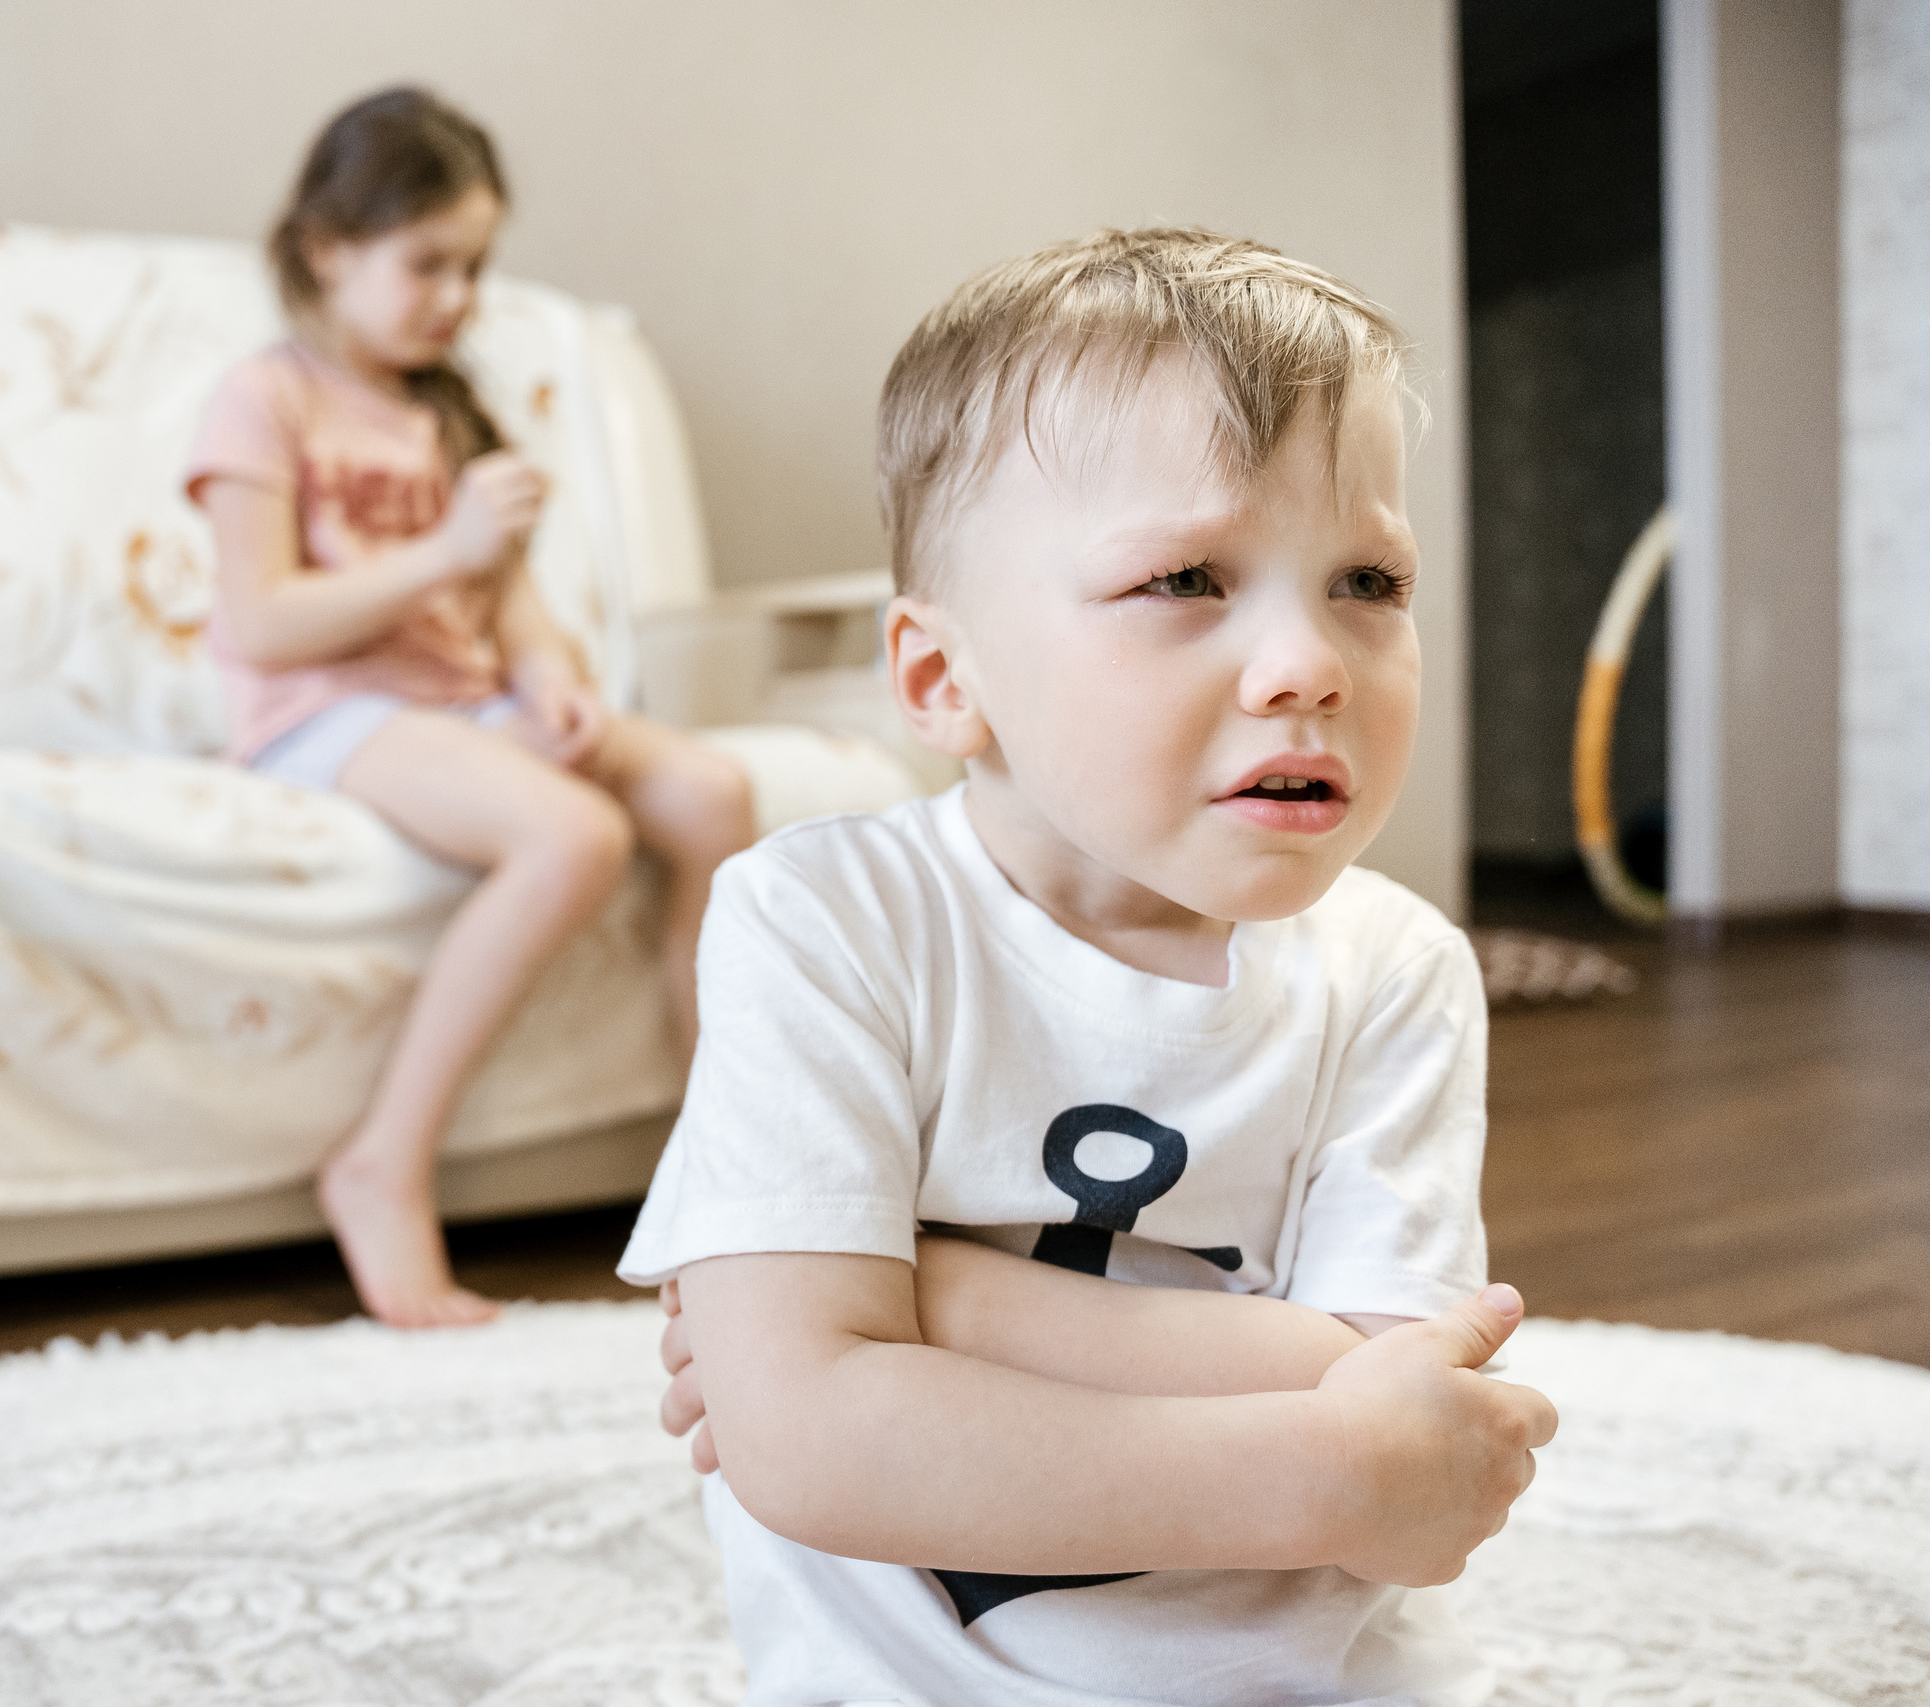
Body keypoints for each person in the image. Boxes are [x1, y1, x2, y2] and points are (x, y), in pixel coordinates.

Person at [620, 230, 1559, 1704]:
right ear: (945, 679)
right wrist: (1321, 1465)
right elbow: (806, 1444)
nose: (1310, 662)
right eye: (1186, 576)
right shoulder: (826, 920)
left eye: (1368, 579)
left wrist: (929, 1300)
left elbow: (1406, 1392)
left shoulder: (1393, 969)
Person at [187, 88, 754, 1329]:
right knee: (575, 834)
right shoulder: (264, 400)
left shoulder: (446, 410)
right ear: (327, 249)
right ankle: (382, 1160)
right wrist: (442, 549)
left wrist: (550, 681)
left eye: (475, 267)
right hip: (324, 710)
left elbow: (510, 609)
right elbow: (261, 622)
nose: (457, 297)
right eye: (426, 263)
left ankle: (718, 1157)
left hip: (465, 700)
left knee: (712, 794)